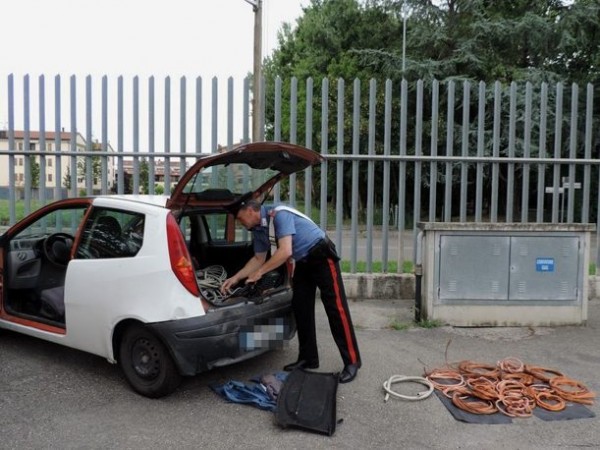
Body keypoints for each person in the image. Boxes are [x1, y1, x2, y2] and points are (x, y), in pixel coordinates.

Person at [221, 200, 361, 383]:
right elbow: (258, 258)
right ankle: (308, 359)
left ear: (249, 211)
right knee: (300, 306)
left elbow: (285, 250)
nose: (241, 223)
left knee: (336, 309)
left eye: (240, 219)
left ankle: (352, 362)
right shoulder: (259, 229)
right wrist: (236, 278)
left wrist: (259, 273)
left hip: (321, 254)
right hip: (303, 260)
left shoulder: (279, 214)